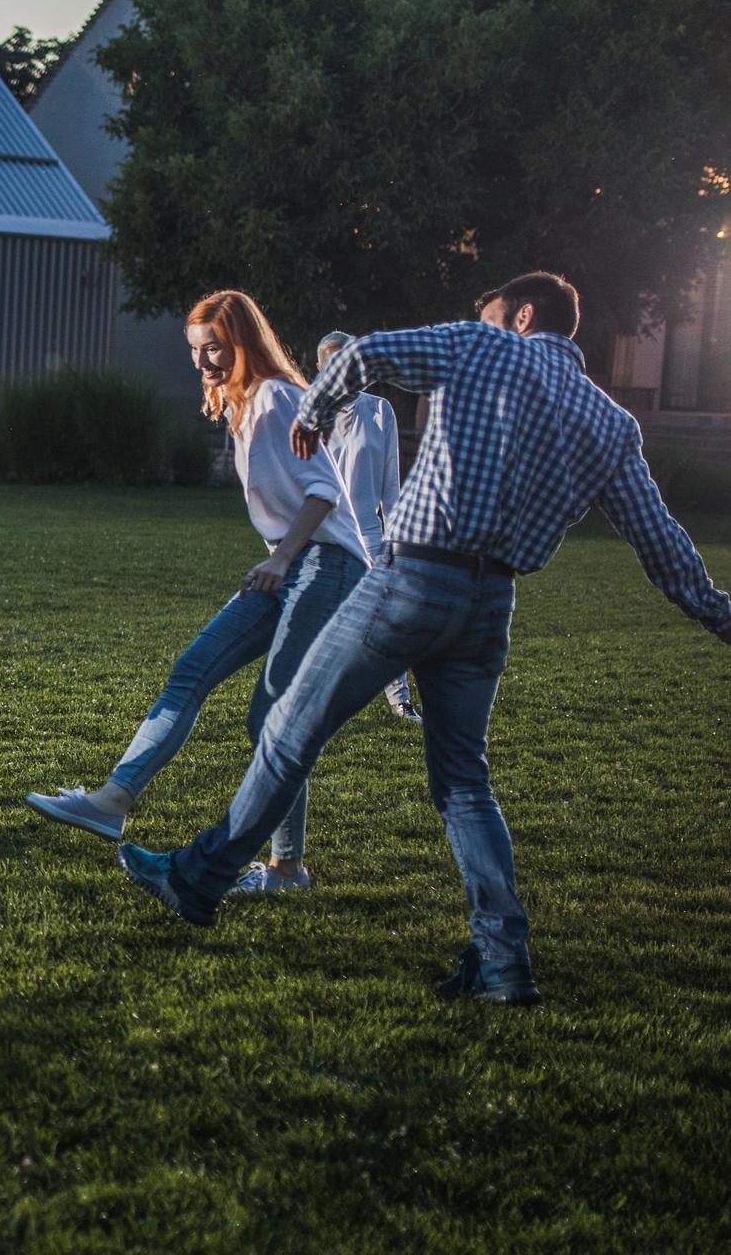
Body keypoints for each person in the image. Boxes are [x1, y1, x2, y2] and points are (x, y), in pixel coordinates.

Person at [116, 272, 731, 1006]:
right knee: (464, 782)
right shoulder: (609, 422)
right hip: (488, 603)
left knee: (287, 729)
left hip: (411, 579)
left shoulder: (480, 345)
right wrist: (718, 615)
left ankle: (198, 880)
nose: (487, 319)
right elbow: (661, 544)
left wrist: (313, 409)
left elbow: (363, 354)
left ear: (522, 315)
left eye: (494, 312)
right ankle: (502, 961)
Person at [25, 291, 369, 896]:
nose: (204, 361)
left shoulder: (277, 398)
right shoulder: (243, 407)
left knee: (273, 716)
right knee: (192, 671)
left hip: (326, 567)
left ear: (243, 343)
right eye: (196, 351)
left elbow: (325, 493)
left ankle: (287, 867)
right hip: (288, 567)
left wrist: (284, 557)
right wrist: (280, 560)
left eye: (215, 348)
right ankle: (112, 800)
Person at [315, 330, 422, 723]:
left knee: (387, 621)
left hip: (372, 538)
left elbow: (390, 486)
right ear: (320, 368)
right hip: (325, 538)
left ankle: (400, 701)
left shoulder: (380, 411)